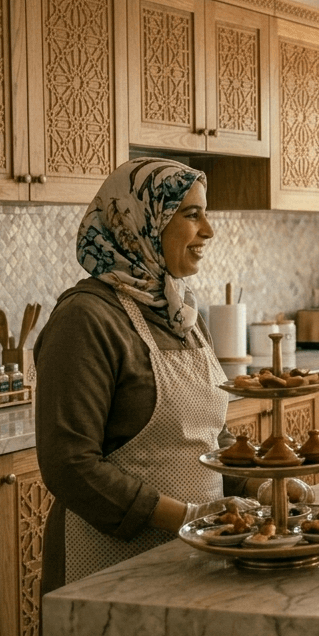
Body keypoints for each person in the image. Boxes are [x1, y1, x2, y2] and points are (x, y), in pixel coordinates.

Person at [35, 158, 248, 593]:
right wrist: (185, 517)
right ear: (141, 221)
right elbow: (70, 465)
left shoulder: (182, 312)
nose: (208, 229)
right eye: (191, 214)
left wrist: (261, 486)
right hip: (107, 564)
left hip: (196, 557)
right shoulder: (87, 317)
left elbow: (211, 438)